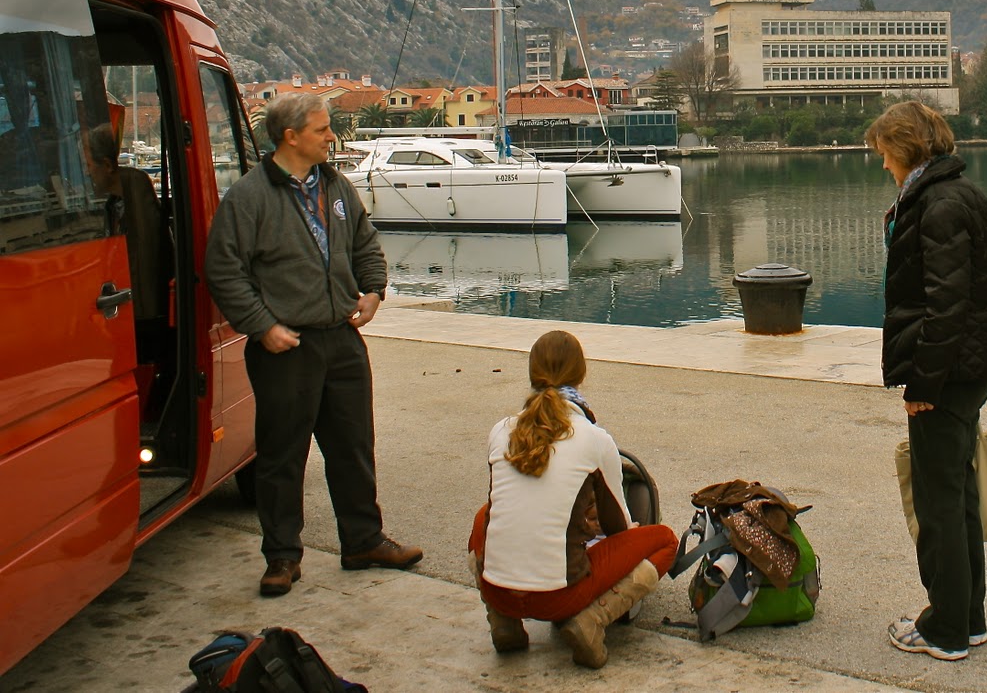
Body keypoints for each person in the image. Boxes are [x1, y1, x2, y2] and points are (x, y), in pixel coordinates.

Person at [204, 93, 422, 597]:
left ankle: (363, 541)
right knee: (282, 456)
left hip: (341, 340)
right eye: (322, 129)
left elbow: (365, 243)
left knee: (353, 446)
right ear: (291, 136)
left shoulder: (337, 186)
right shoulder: (249, 197)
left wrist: (373, 290)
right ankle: (282, 556)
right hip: (285, 347)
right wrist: (262, 326)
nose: (331, 137)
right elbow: (223, 269)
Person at [865, 100, 987, 662]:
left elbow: (945, 305)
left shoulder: (939, 204)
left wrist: (922, 386)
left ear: (906, 147)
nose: (883, 164)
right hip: (968, 368)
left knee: (938, 502)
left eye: (885, 152)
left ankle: (945, 629)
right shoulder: (957, 194)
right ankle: (967, 618)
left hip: (947, 373)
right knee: (958, 493)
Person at [467, 329, 676, 669]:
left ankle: (504, 620)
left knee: (483, 516)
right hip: (560, 598)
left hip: (498, 591)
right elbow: (617, 527)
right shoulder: (594, 438)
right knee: (664, 540)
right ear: (581, 375)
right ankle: (592, 620)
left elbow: (502, 510)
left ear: (532, 373)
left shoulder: (501, 429)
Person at [87, 123, 172, 387]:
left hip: (132, 316)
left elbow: (140, 266)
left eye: (87, 166)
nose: (84, 175)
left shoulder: (133, 194)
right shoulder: (112, 202)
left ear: (107, 165)